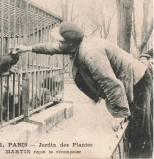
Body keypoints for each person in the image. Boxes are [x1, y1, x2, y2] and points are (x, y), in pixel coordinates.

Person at [15, 21, 153, 158]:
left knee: (140, 129)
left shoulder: (90, 53)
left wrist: (120, 113)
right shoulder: (76, 44)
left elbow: (109, 83)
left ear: (70, 43)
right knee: (133, 128)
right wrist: (29, 48)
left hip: (138, 81)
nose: (58, 44)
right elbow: (53, 47)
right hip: (127, 81)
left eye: (60, 41)